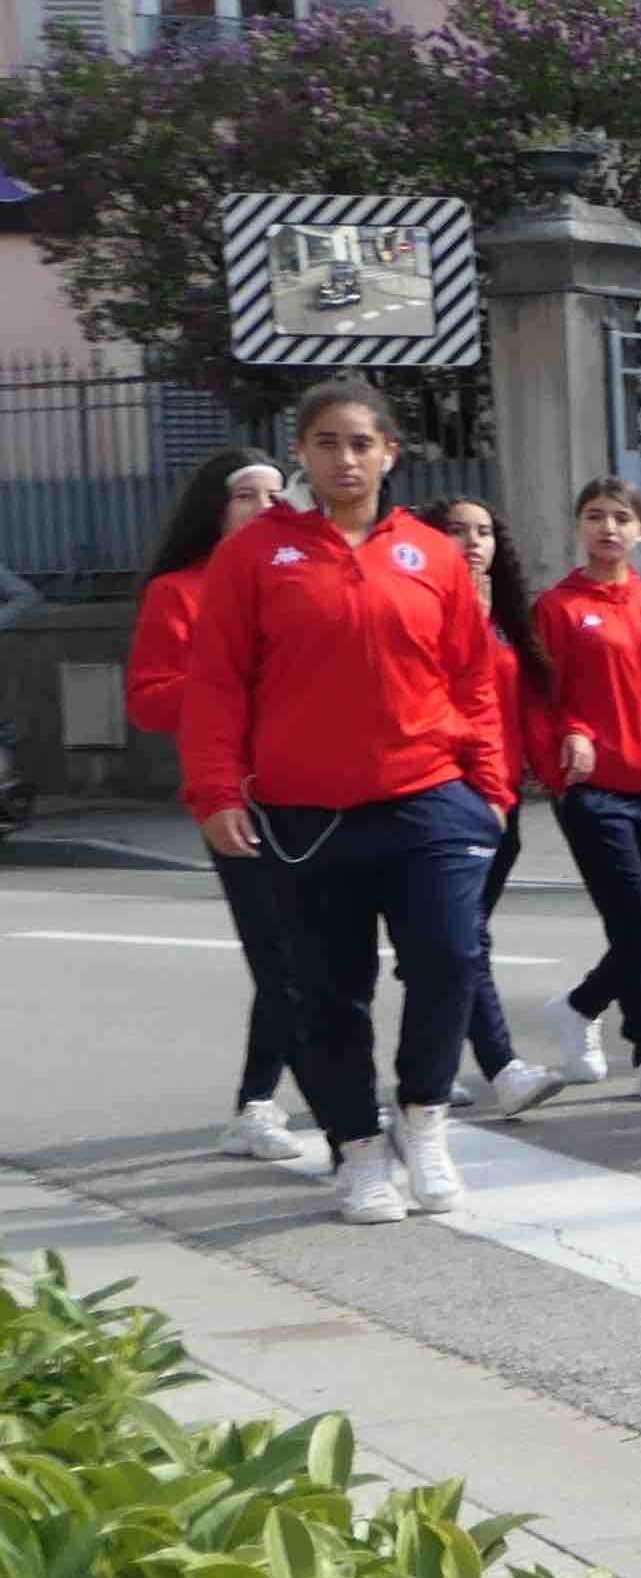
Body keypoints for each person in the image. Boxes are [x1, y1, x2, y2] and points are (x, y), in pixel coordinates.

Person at [177, 377, 514, 1225]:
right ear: (302, 453)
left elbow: (472, 677)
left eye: (362, 442)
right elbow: (216, 684)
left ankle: (424, 1118)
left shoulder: (430, 554)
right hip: (304, 812)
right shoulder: (254, 555)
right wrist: (216, 790)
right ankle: (358, 1149)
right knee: (328, 991)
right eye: (326, 441)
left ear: (391, 452)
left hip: (429, 801)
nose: (346, 457)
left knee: (447, 958)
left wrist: (490, 788)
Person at [127, 448, 309, 1164]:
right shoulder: (178, 592)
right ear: (216, 508)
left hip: (319, 789)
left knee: (319, 959)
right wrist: (227, 675)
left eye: (275, 494)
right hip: (236, 795)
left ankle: (317, 1091)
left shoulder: (294, 578)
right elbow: (147, 701)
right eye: (246, 496)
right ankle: (261, 1104)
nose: (265, 507)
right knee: (281, 961)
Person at [528, 476, 641, 1107]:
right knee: (634, 922)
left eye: (621, 517)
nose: (609, 528)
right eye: (596, 516)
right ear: (579, 528)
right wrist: (567, 752)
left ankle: (579, 1007)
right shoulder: (558, 608)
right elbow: (544, 700)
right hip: (596, 790)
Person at [420, 496, 570, 1123]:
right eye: (457, 531)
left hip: (500, 801)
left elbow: (532, 699)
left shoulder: (509, 617)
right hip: (441, 797)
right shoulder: (422, 607)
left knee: (450, 942)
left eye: (483, 531)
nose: (472, 542)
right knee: (465, 938)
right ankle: (503, 1068)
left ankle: (432, 1063)